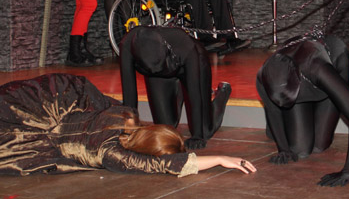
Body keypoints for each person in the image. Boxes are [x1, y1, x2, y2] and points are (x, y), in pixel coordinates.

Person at [0, 73, 256, 176]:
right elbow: (161, 165)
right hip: (38, 140)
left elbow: (94, 99)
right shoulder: (111, 153)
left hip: (45, 112)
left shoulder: (124, 114)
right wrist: (219, 158)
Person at [256, 31, 349, 187]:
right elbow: (273, 110)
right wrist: (283, 148)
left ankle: (312, 110)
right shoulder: (263, 76)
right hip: (298, 83)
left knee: (319, 145)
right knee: (300, 150)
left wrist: (348, 172)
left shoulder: (318, 68)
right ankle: (289, 123)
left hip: (330, 66)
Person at [120, 26, 231, 149]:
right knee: (165, 130)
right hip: (158, 78)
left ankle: (222, 92)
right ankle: (178, 91)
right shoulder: (127, 45)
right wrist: (129, 129)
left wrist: (197, 136)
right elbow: (129, 93)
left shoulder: (182, 42)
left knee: (205, 131)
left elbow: (195, 94)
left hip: (189, 67)